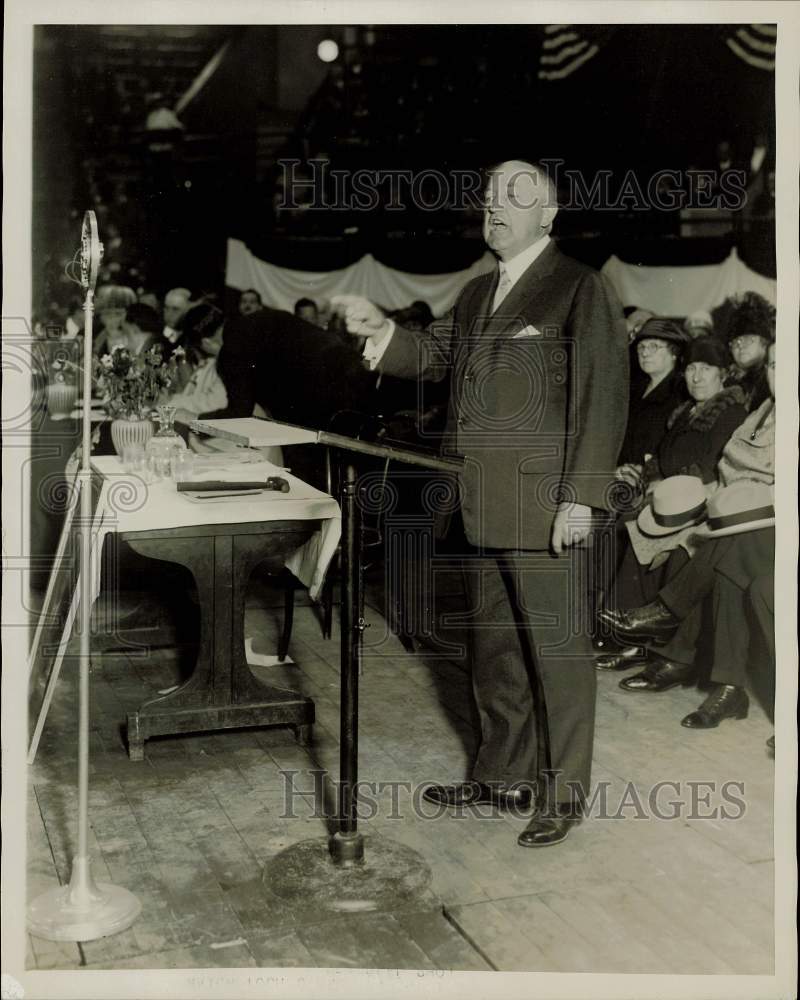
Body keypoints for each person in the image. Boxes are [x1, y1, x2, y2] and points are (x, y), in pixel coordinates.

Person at [333, 160, 629, 848]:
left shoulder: (580, 288)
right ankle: (501, 774)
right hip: (480, 506)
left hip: (546, 508)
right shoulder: (474, 295)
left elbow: (602, 397)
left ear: (548, 216)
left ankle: (564, 794)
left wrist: (580, 498)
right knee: (494, 652)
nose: (495, 208)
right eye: (491, 197)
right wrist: (380, 331)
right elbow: (431, 354)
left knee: (558, 655)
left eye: (514, 198)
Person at [599, 341, 776, 709]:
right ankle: (726, 687)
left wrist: (741, 483)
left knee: (715, 546)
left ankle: (668, 625)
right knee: (725, 560)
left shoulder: (754, 412)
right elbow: (732, 462)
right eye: (774, 365)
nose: (780, 374)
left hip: (775, 526)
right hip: (745, 516)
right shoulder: (764, 410)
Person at [163, 302, 228, 422]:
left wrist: (171, 402)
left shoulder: (228, 361)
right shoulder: (211, 362)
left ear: (206, 343)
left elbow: (217, 402)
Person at [723, 291, 774, 412]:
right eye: (735, 342)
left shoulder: (771, 382)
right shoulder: (726, 381)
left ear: (765, 344)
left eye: (748, 340)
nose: (740, 346)